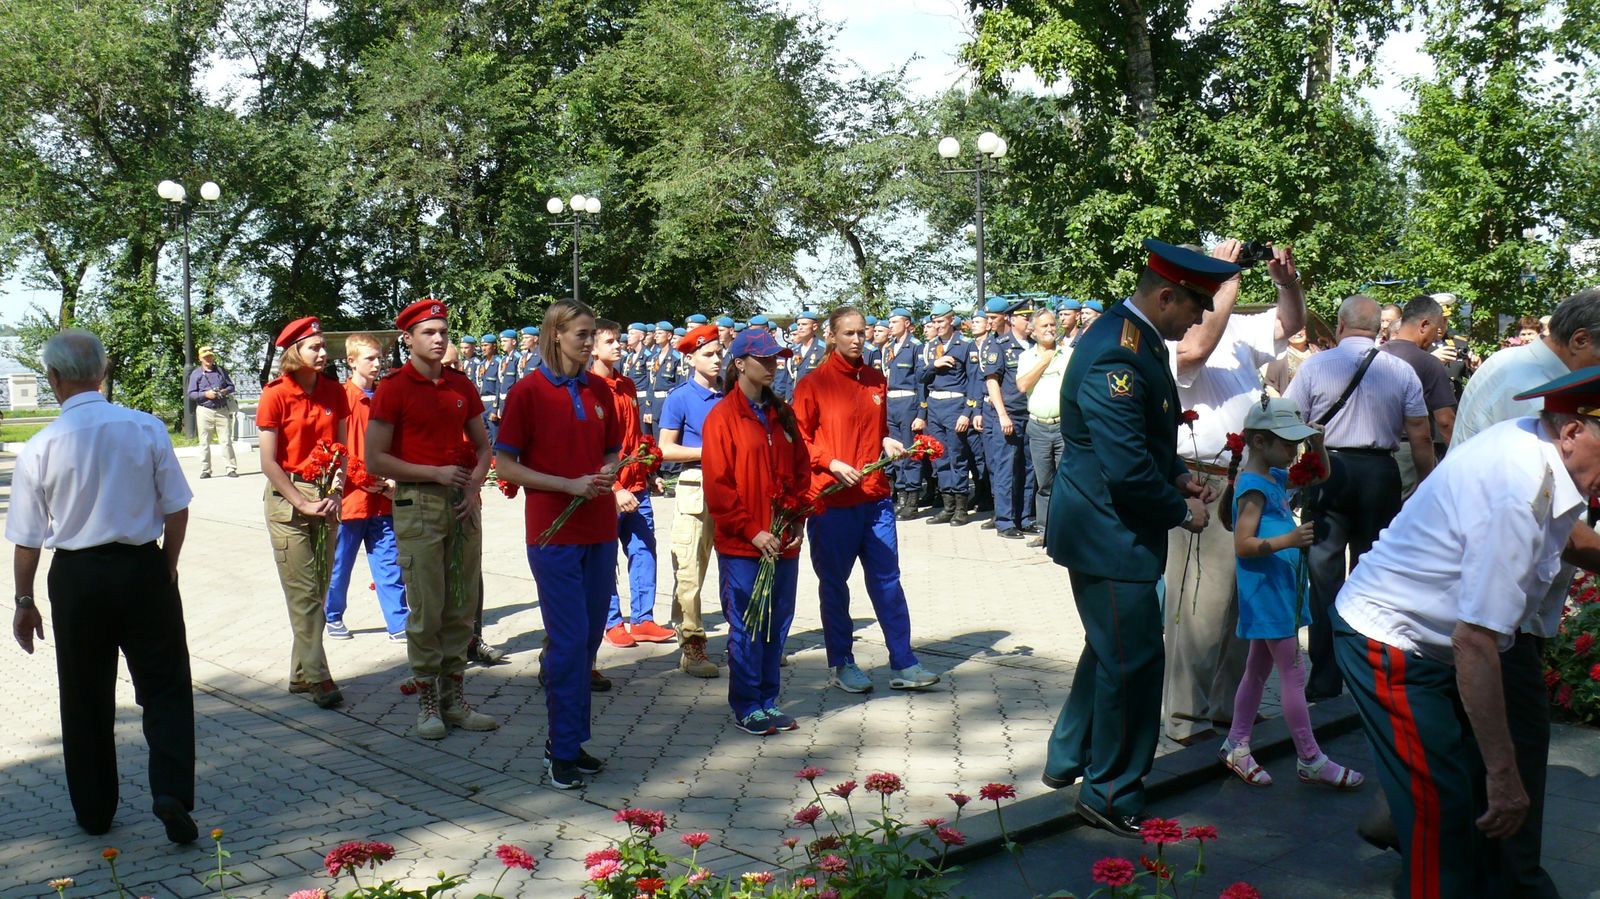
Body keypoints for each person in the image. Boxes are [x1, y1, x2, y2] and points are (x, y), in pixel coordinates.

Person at [1333, 369, 1600, 899]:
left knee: (1460, 794)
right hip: (1393, 641)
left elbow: (1566, 539)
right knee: (1443, 814)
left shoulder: (1538, 445)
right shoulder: (1518, 488)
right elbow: (1474, 642)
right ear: (1572, 432)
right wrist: (1504, 777)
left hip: (1434, 639)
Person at [1042, 240, 1224, 837]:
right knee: (1135, 659)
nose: (1200, 318)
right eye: (1197, 304)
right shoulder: (1117, 354)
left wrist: (1178, 475)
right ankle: (1111, 790)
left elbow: (1147, 439)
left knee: (1112, 645)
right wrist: (1180, 508)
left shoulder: (1140, 338)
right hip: (1107, 531)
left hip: (1113, 526)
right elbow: (1123, 465)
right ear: (1166, 295)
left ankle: (1070, 755)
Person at [8, 329, 198, 843]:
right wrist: (168, 566)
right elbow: (177, 508)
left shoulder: (40, 446)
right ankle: (171, 793)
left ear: (53, 378)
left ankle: (95, 809)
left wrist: (24, 601)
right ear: (104, 370)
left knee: (85, 693)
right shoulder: (146, 428)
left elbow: (27, 540)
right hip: (142, 567)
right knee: (165, 687)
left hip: (76, 577)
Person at [1162, 242, 1305, 744]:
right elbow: (1196, 349)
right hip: (1201, 477)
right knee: (1202, 605)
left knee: (1244, 604)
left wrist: (1287, 282)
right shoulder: (1169, 333)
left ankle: (1225, 709)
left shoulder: (1235, 325)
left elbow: (1289, 325)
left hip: (1247, 477)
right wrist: (1225, 282)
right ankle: (1185, 718)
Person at [494, 298, 622, 787]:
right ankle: (559, 749)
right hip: (553, 532)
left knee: (589, 641)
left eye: (593, 334)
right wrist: (567, 485)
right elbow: (505, 465)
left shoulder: (597, 390)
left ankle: (574, 740)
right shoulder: (528, 392)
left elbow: (611, 446)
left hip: (599, 528)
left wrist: (610, 467)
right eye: (581, 335)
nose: (590, 343)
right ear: (555, 336)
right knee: (568, 642)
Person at [1283, 295, 1434, 700]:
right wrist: (1429, 491)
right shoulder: (1400, 370)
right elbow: (1419, 436)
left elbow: (1286, 419)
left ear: (1339, 325)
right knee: (1374, 576)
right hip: (1380, 475)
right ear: (1380, 329)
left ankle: (1325, 677)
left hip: (1328, 471)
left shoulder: (1315, 365)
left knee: (1323, 575)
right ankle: (1369, 677)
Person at [366, 299, 498, 741]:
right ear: (408, 340)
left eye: (443, 331)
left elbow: (484, 446)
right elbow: (375, 458)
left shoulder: (461, 384)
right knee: (426, 609)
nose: (439, 339)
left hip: (462, 504)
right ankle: (427, 700)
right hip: (418, 504)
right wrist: (435, 473)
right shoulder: (394, 388)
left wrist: (475, 486)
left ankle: (454, 699)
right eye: (428, 333)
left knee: (461, 608)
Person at [792, 307, 940, 695]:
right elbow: (799, 441)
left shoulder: (876, 379)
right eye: (849, 333)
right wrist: (831, 462)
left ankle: (904, 661)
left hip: (874, 497)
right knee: (835, 585)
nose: (858, 339)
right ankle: (842, 661)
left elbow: (877, 430)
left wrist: (888, 442)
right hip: (832, 502)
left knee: (888, 581)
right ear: (833, 336)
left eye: (862, 332)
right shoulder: (813, 384)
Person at [1218, 398, 1364, 791]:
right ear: (1261, 442)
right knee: (1294, 674)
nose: (1293, 452)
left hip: (1278, 588)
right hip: (1266, 591)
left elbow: (1319, 476)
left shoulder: (1275, 477)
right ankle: (1310, 757)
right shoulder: (1252, 487)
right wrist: (1289, 538)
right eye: (1288, 444)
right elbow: (1243, 544)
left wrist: (1317, 444)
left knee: (1258, 669)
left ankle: (1237, 742)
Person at [702, 327, 810, 735]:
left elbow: (801, 469)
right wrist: (752, 532)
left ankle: (768, 699)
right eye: (764, 359)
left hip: (783, 540)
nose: (772, 366)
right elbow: (719, 486)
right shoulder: (723, 417)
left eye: (775, 359)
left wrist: (798, 518)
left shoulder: (782, 412)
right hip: (744, 546)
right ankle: (747, 703)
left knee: (778, 621)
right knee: (747, 624)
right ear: (740, 363)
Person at [256, 316, 349, 710]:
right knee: (305, 594)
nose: (323, 353)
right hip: (287, 498)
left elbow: (343, 450)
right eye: (315, 347)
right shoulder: (275, 394)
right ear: (295, 352)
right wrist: (301, 501)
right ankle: (319, 676)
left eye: (324, 346)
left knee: (319, 590)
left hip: (326, 495)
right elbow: (267, 461)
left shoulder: (335, 392)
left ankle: (299, 674)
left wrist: (338, 490)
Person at [591, 319, 677, 649]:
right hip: (608, 489)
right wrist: (613, 489)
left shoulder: (626, 385)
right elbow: (590, 446)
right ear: (594, 348)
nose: (618, 346)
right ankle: (611, 621)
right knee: (605, 556)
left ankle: (643, 619)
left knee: (643, 550)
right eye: (610, 341)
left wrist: (650, 472)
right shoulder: (589, 387)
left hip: (636, 484)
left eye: (619, 340)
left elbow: (637, 436)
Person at [324, 333, 409, 642]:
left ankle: (399, 621)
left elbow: (397, 444)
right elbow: (337, 447)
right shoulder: (341, 398)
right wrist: (359, 478)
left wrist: (391, 480)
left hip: (383, 497)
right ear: (351, 361)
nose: (377, 363)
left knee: (389, 561)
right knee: (340, 562)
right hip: (352, 498)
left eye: (379, 357)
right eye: (370, 358)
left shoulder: (386, 396)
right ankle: (332, 614)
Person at [658, 324, 726, 677]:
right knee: (689, 569)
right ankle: (692, 644)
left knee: (735, 569)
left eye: (719, 353)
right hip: (695, 486)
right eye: (708, 354)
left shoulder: (729, 395)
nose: (717, 360)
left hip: (730, 487)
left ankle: (745, 640)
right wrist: (708, 451)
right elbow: (665, 448)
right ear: (690, 358)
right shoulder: (679, 397)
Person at [1382, 295, 1459, 497]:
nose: (1436, 337)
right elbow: (1445, 422)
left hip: (1376, 453)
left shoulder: (1374, 355)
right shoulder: (1429, 363)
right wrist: (1460, 457)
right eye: (1436, 330)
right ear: (1424, 325)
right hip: (1411, 453)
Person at [979, 298, 1038, 539]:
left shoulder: (1035, 346)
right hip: (1009, 415)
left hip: (1030, 415)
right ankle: (1005, 521)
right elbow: (992, 383)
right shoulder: (999, 346)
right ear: (1012, 320)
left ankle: (1024, 518)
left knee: (1028, 469)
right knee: (1006, 470)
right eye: (1025, 317)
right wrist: (1002, 415)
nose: (1030, 321)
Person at [918, 302, 978, 525]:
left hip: (955, 406)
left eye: (941, 321)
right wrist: (935, 364)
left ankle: (961, 509)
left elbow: (974, 381)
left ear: (951, 320)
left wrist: (967, 412)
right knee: (938, 457)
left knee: (957, 457)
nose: (938, 325)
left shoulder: (965, 345)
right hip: (934, 407)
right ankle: (948, 506)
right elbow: (921, 378)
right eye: (935, 322)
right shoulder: (930, 347)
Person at [1017, 308, 1070, 549]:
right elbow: (1022, 384)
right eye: (1044, 327)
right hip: (1038, 428)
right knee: (1045, 483)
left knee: (1067, 481)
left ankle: (1068, 533)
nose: (1050, 330)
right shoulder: (1027, 356)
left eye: (1052, 325)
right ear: (1034, 332)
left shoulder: (1069, 354)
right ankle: (1045, 530)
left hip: (1063, 427)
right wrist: (1045, 360)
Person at [878, 307, 924, 520]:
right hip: (891, 401)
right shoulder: (888, 347)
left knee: (909, 451)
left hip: (909, 400)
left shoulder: (915, 346)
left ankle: (912, 500)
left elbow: (921, 381)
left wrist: (921, 413)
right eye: (890, 322)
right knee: (895, 452)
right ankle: (902, 497)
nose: (891, 326)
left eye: (895, 321)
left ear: (906, 323)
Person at [186, 346, 237, 479]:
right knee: (204, 442)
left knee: (226, 441)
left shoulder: (220, 371)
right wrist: (206, 394)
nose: (208, 359)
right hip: (204, 410)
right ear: (200, 358)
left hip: (222, 410)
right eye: (205, 357)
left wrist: (223, 391)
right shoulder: (196, 373)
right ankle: (206, 469)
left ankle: (230, 468)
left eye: (210, 356)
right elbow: (191, 394)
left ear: (213, 357)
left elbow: (231, 386)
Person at [1261, 328, 1314, 397]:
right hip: (1295, 404)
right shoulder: (1280, 356)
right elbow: (1271, 387)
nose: (1298, 333)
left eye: (1301, 329)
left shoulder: (1315, 350)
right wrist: (1282, 406)